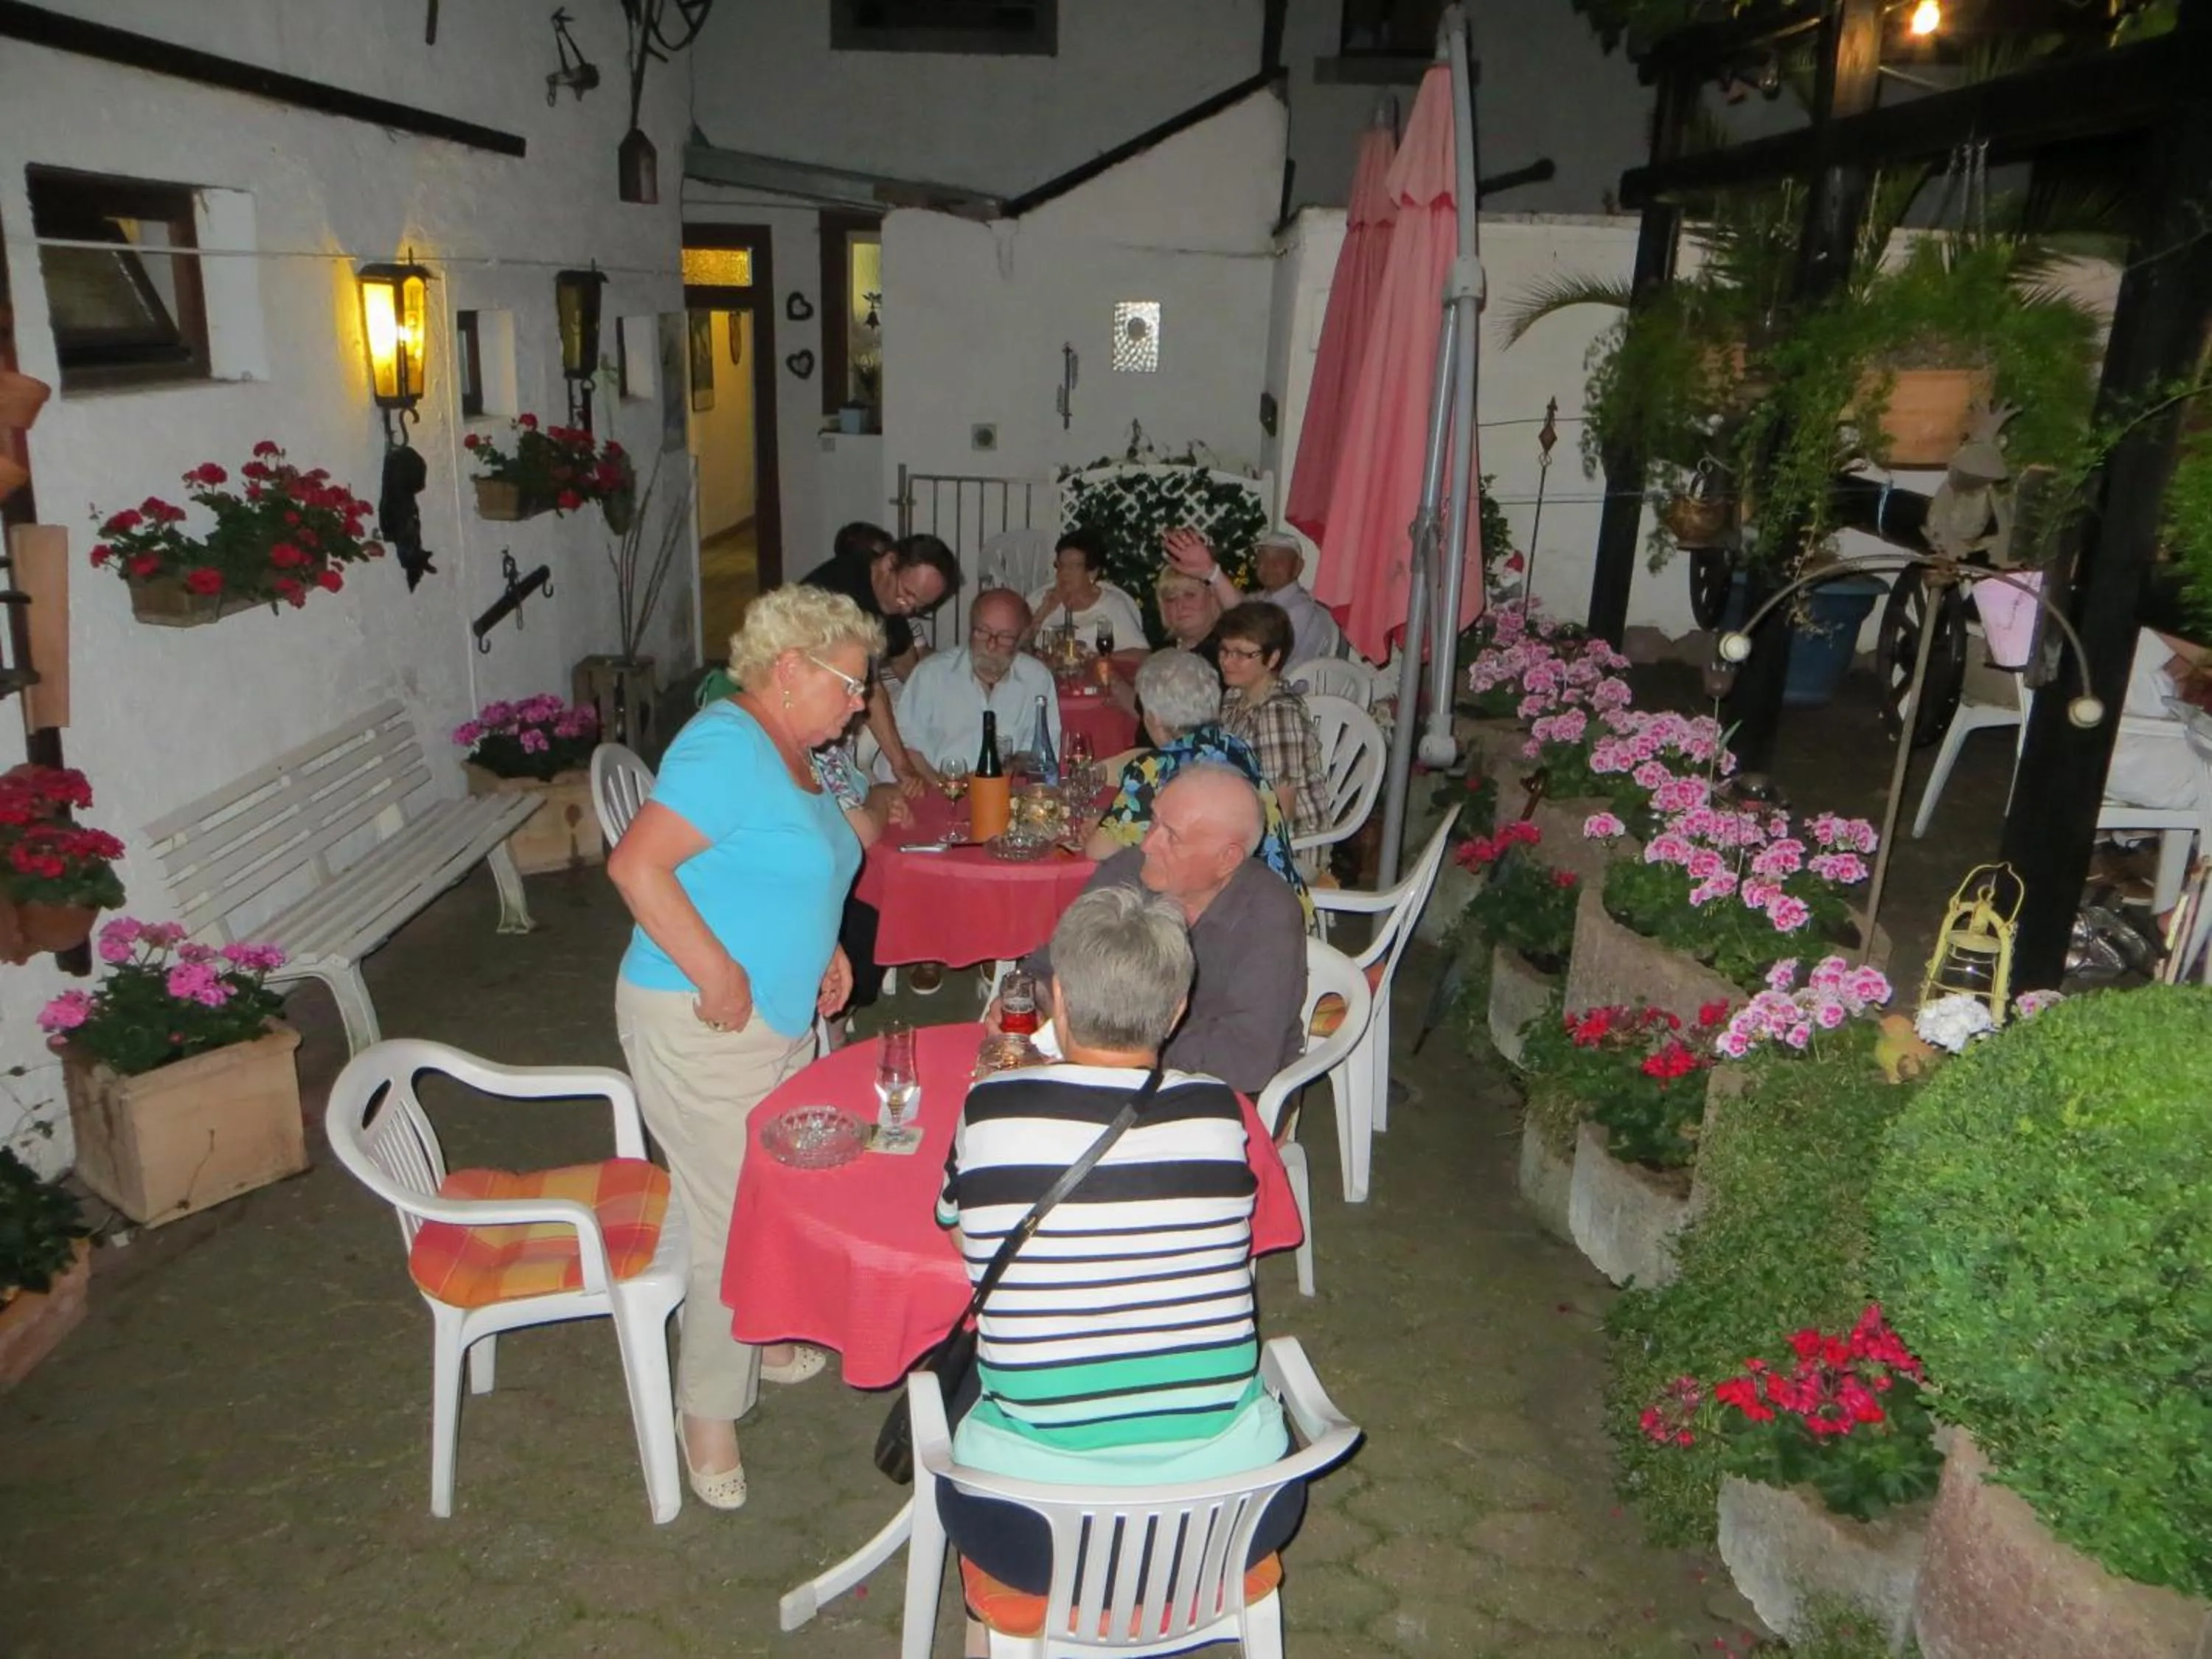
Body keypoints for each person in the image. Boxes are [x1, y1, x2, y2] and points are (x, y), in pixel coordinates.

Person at [937, 883, 1305, 1607]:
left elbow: (958, 1235)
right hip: (1234, 1513)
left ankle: (1010, 1640)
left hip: (1036, 1529)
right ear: (1176, 1012)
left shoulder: (990, 1108)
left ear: (1059, 999)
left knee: (966, 1388)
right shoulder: (1218, 1111)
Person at [607, 583, 880, 1512]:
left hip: (779, 1015)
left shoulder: (796, 749)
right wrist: (717, 970)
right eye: (850, 684)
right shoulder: (727, 743)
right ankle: (707, 1412)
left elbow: (804, 862)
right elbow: (636, 864)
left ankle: (763, 1328)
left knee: (783, 1186)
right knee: (735, 1219)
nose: (859, 705)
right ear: (791, 668)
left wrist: (827, 945)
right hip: (701, 1020)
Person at [1011, 767, 1306, 1096]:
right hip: (1105, 1069)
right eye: (1153, 821)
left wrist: (1118, 1042)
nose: (1148, 844)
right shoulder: (1127, 872)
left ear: (1227, 859)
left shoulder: (1268, 915)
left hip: (1215, 1096)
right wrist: (1027, 1001)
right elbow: (1052, 962)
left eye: (1172, 836)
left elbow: (1246, 1061)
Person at [1084, 650, 1310, 919]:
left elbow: (1099, 851)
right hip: (1281, 902)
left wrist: (1102, 825)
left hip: (1219, 918)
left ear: (1154, 718)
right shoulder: (1235, 747)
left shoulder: (1154, 768)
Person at [801, 526, 963, 796]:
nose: (908, 608)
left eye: (919, 606)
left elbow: (908, 665)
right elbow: (871, 692)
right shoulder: (844, 597)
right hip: (801, 712)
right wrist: (902, 766)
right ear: (889, 562)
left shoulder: (887, 592)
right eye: (907, 594)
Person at [891, 588, 1063, 787]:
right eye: (982, 632)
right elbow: (906, 745)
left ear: (1021, 639)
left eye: (1005, 637)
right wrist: (940, 784)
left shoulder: (1037, 678)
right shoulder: (931, 674)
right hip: (941, 790)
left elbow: (1044, 752)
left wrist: (1012, 765)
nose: (991, 645)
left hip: (1008, 793)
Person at [1215, 600, 1329, 839]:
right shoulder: (1234, 697)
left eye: (1242, 654)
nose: (1227, 661)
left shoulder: (1277, 713)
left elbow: (1280, 810)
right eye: (1224, 650)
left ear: (1273, 658)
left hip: (1289, 843)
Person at [1164, 526, 1342, 669]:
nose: (1268, 566)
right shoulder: (1260, 597)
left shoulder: (1300, 608)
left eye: (1278, 561)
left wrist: (1212, 572)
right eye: (1262, 559)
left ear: (1298, 567)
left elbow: (1258, 641)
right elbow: (1240, 609)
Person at [1025, 529, 1147, 651]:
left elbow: (1140, 653)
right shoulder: (1040, 598)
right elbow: (1016, 646)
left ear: (1092, 572)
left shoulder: (1112, 605)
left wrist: (1094, 659)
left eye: (1073, 567)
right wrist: (1042, 613)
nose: (1064, 572)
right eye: (1061, 565)